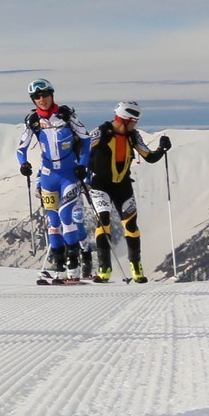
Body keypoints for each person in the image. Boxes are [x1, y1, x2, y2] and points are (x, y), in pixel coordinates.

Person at [16, 78, 94, 283]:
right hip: (49, 176)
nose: (42, 100)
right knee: (53, 222)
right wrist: (23, 164)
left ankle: (73, 266)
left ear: (52, 94)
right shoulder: (32, 121)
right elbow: (21, 148)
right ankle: (58, 266)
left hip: (68, 174)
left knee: (66, 215)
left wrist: (83, 165)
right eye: (37, 97)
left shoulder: (66, 116)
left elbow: (86, 140)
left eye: (45, 95)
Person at [85, 101, 169, 283]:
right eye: (134, 121)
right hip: (100, 185)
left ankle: (137, 269)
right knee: (104, 221)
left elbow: (149, 157)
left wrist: (162, 148)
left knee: (131, 226)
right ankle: (104, 269)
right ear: (125, 119)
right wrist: (80, 169)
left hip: (123, 186)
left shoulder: (133, 136)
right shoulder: (101, 132)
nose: (135, 125)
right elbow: (83, 149)